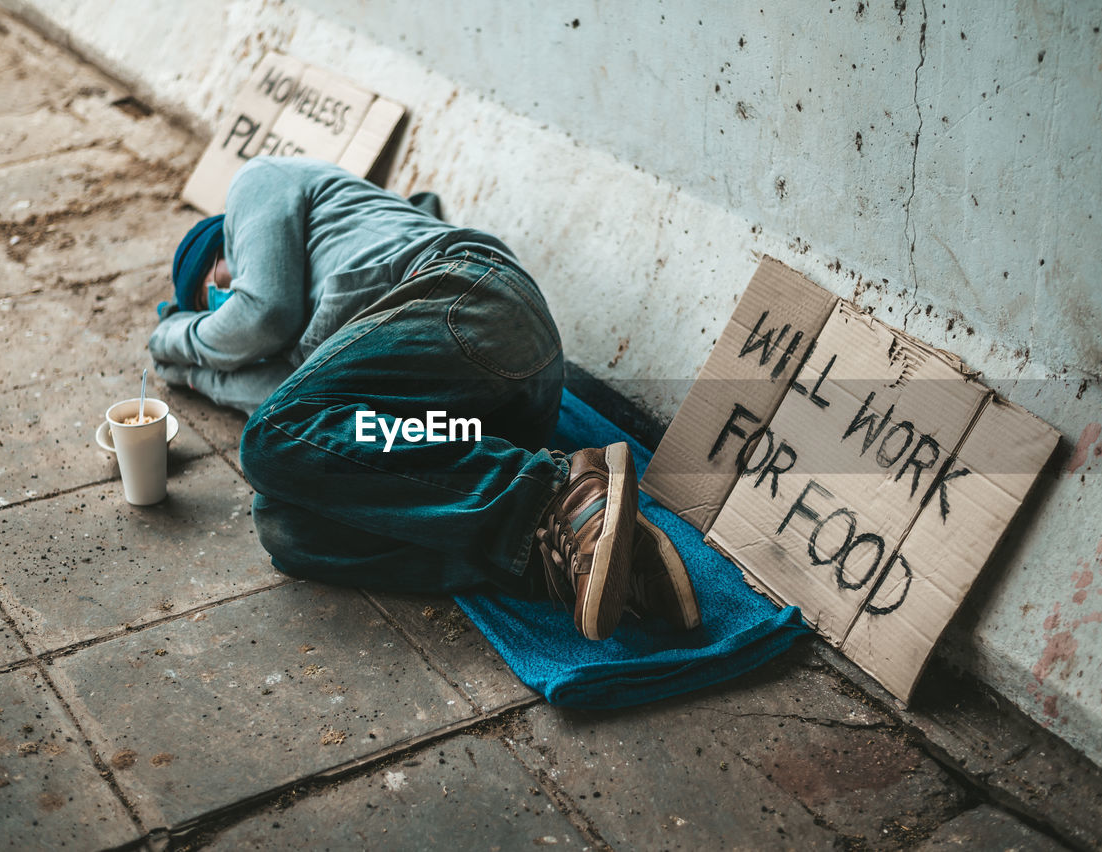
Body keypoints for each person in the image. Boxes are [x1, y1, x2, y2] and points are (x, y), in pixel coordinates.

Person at [149, 156, 700, 641]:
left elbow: (258, 316)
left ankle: (553, 496)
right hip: (463, 430)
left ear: (223, 248)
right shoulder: (322, 360)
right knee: (286, 525)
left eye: (212, 293)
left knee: (268, 439)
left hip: (475, 304)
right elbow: (289, 415)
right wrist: (201, 376)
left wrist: (174, 339)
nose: (220, 308)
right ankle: (576, 553)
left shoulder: (258, 183)